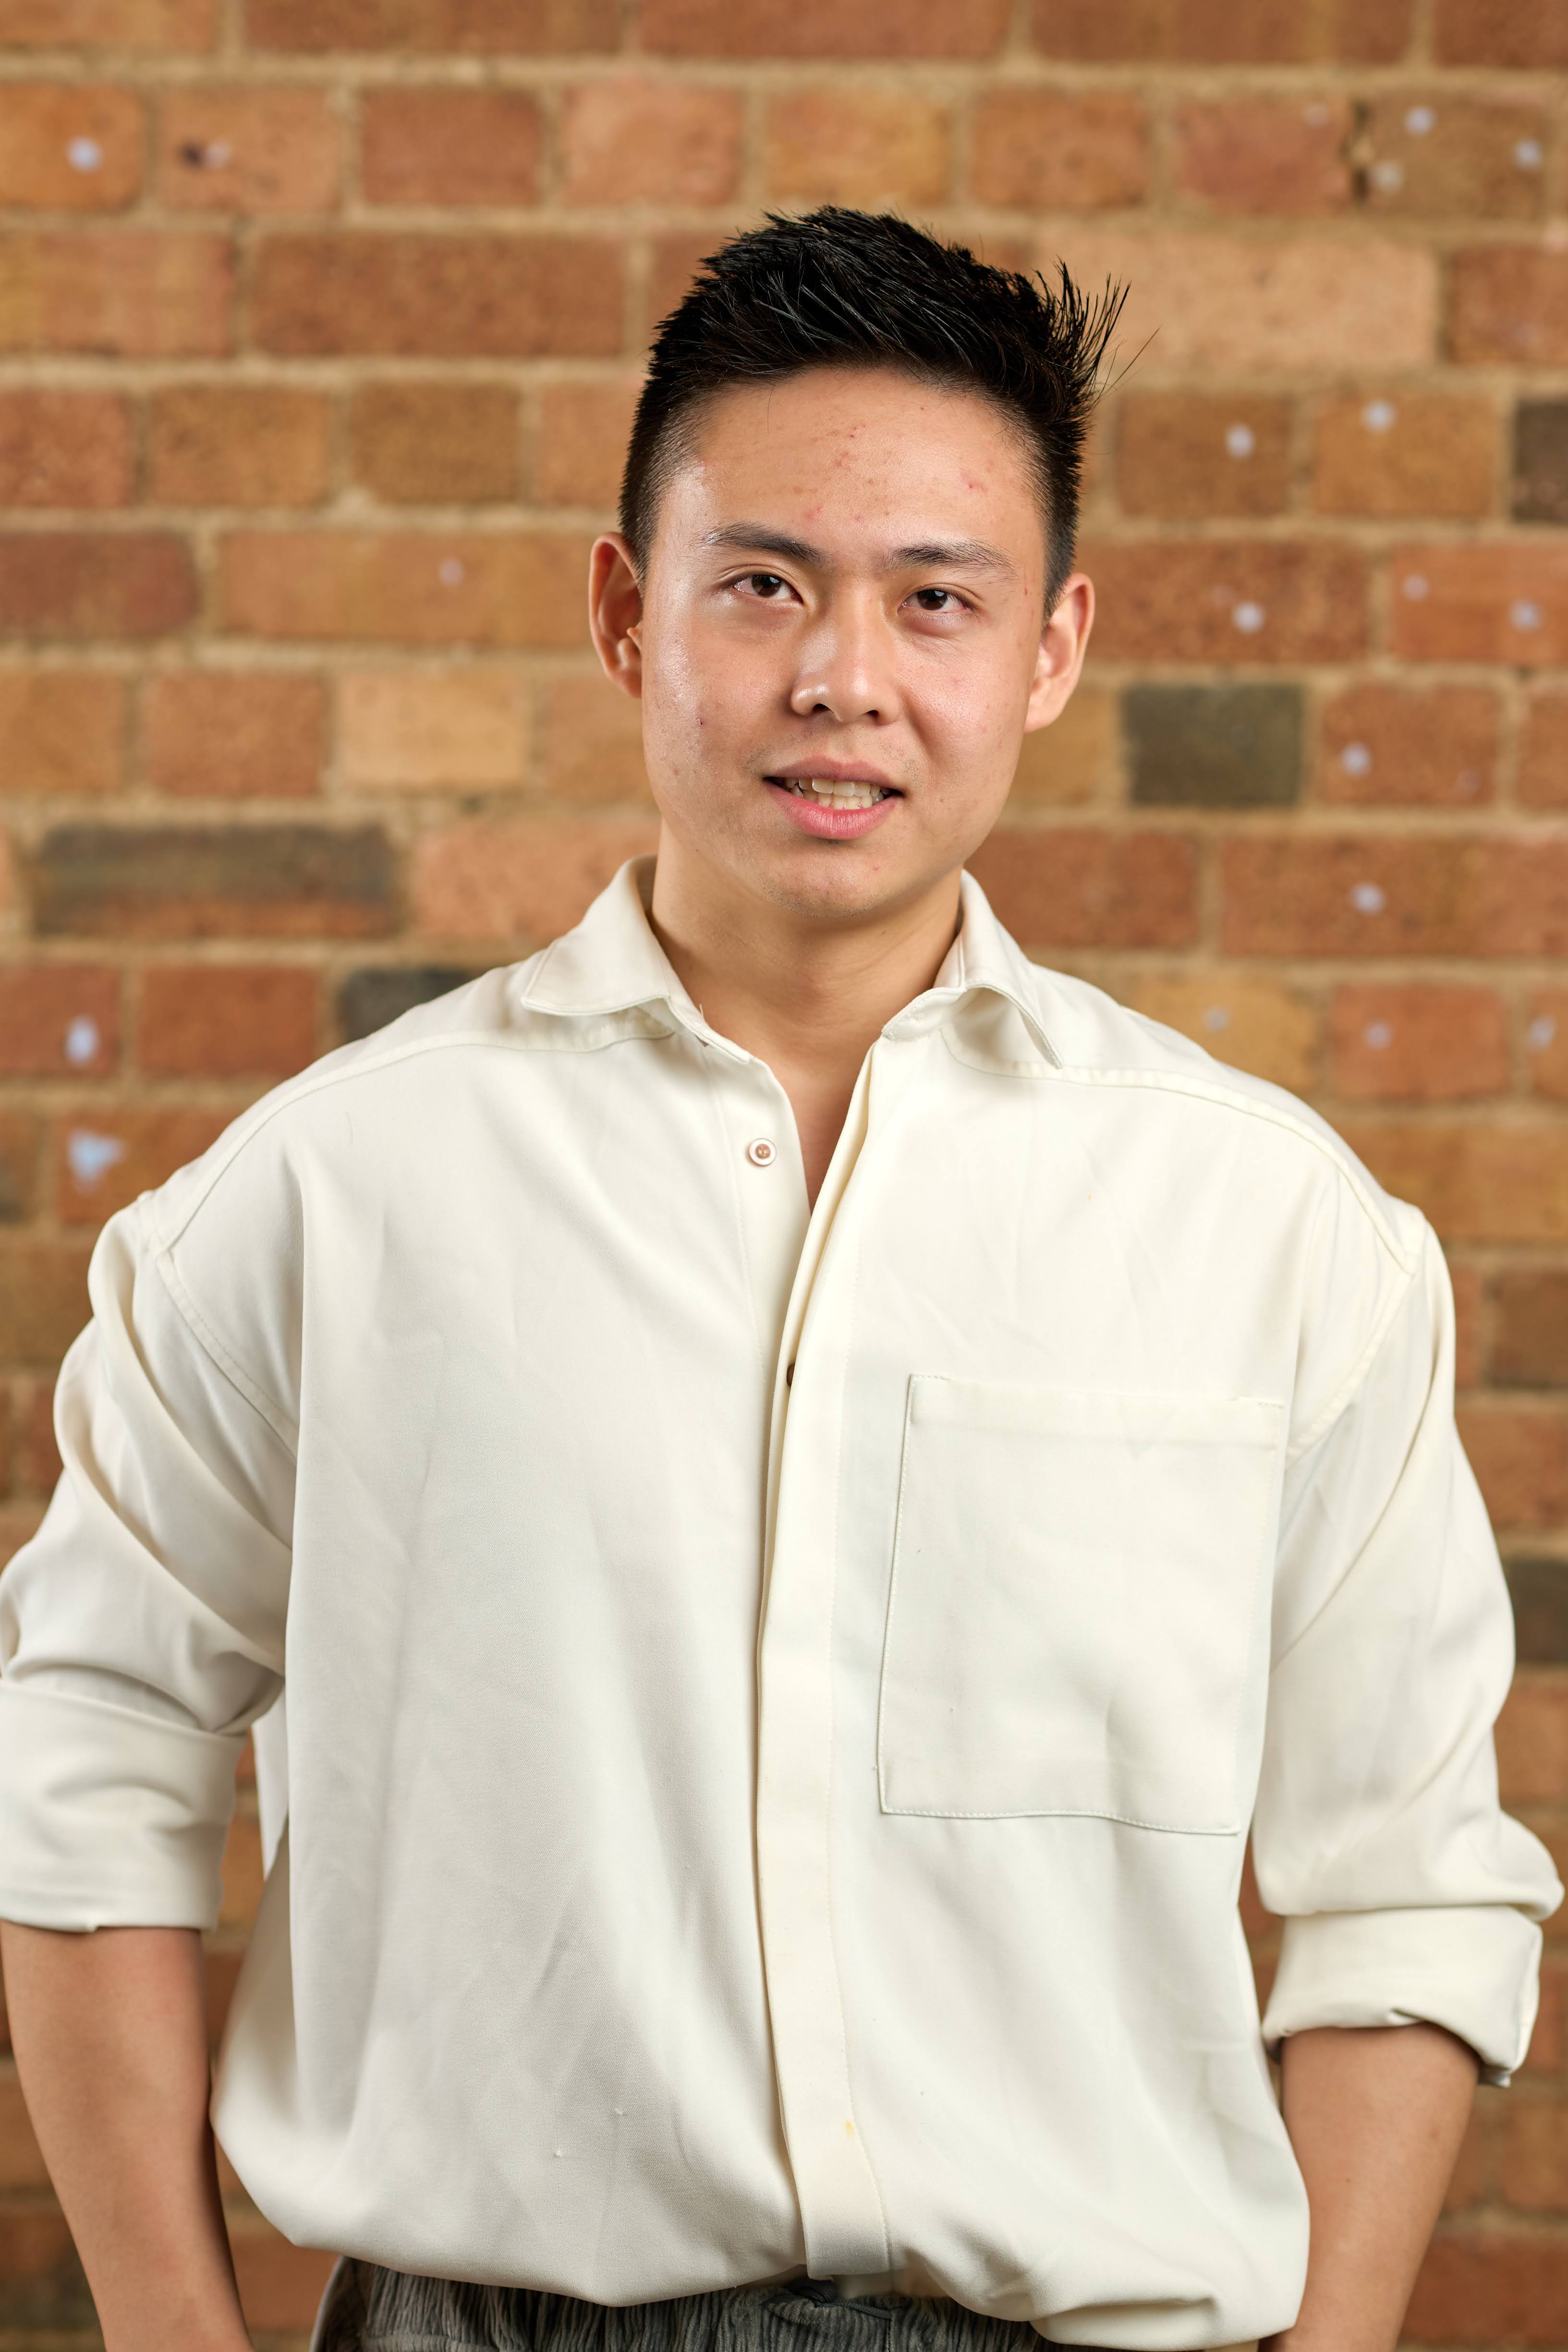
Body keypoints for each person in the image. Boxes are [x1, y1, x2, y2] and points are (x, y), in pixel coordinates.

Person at [0, 206, 1556, 2352]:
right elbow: (77, 1762)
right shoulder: (325, 1200)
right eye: (763, 585)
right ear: (625, 615)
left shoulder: (1274, 1233)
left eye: (936, 598)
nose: (844, 677)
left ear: (1051, 649)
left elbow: (1407, 1880)